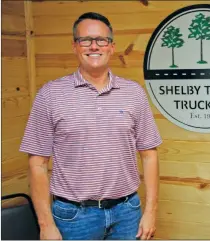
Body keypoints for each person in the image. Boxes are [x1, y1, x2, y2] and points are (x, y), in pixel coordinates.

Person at [20, 12, 162, 240]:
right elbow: (37, 163)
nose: (93, 46)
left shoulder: (134, 93)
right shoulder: (50, 95)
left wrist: (151, 212)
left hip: (127, 213)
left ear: (111, 47)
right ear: (75, 46)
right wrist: (46, 224)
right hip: (73, 217)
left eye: (101, 40)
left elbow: (149, 155)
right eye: (85, 40)